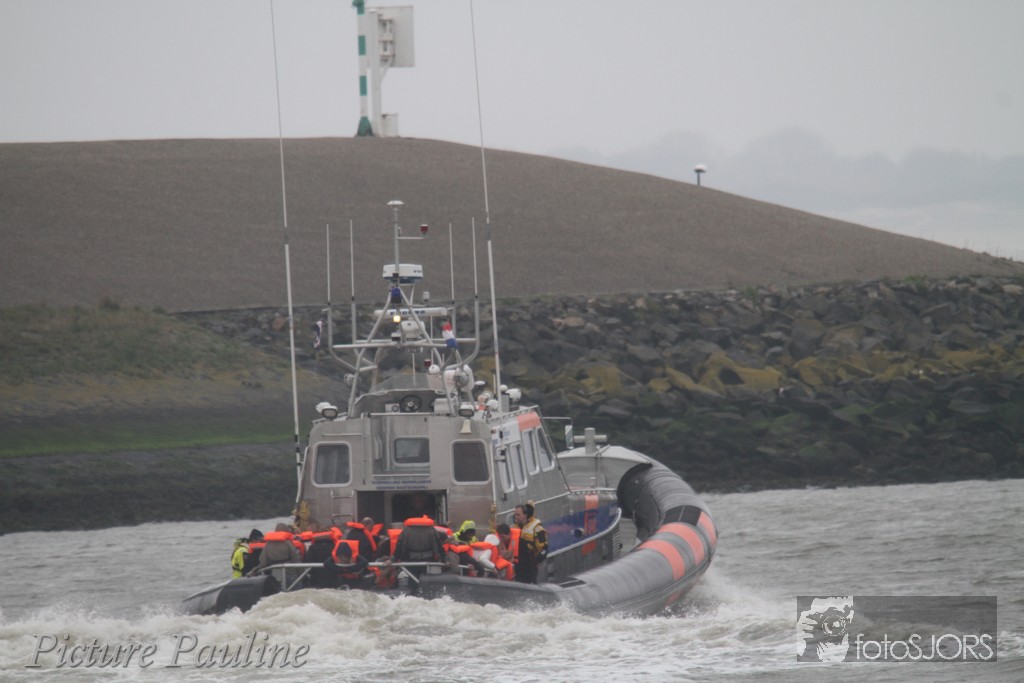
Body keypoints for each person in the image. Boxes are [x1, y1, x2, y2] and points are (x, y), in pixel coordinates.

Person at [513, 503, 547, 584]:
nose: (516, 517)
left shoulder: (537, 528)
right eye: (515, 515)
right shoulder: (514, 528)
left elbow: (544, 549)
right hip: (517, 565)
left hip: (530, 565)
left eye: (518, 515)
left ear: (525, 515)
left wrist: (535, 561)